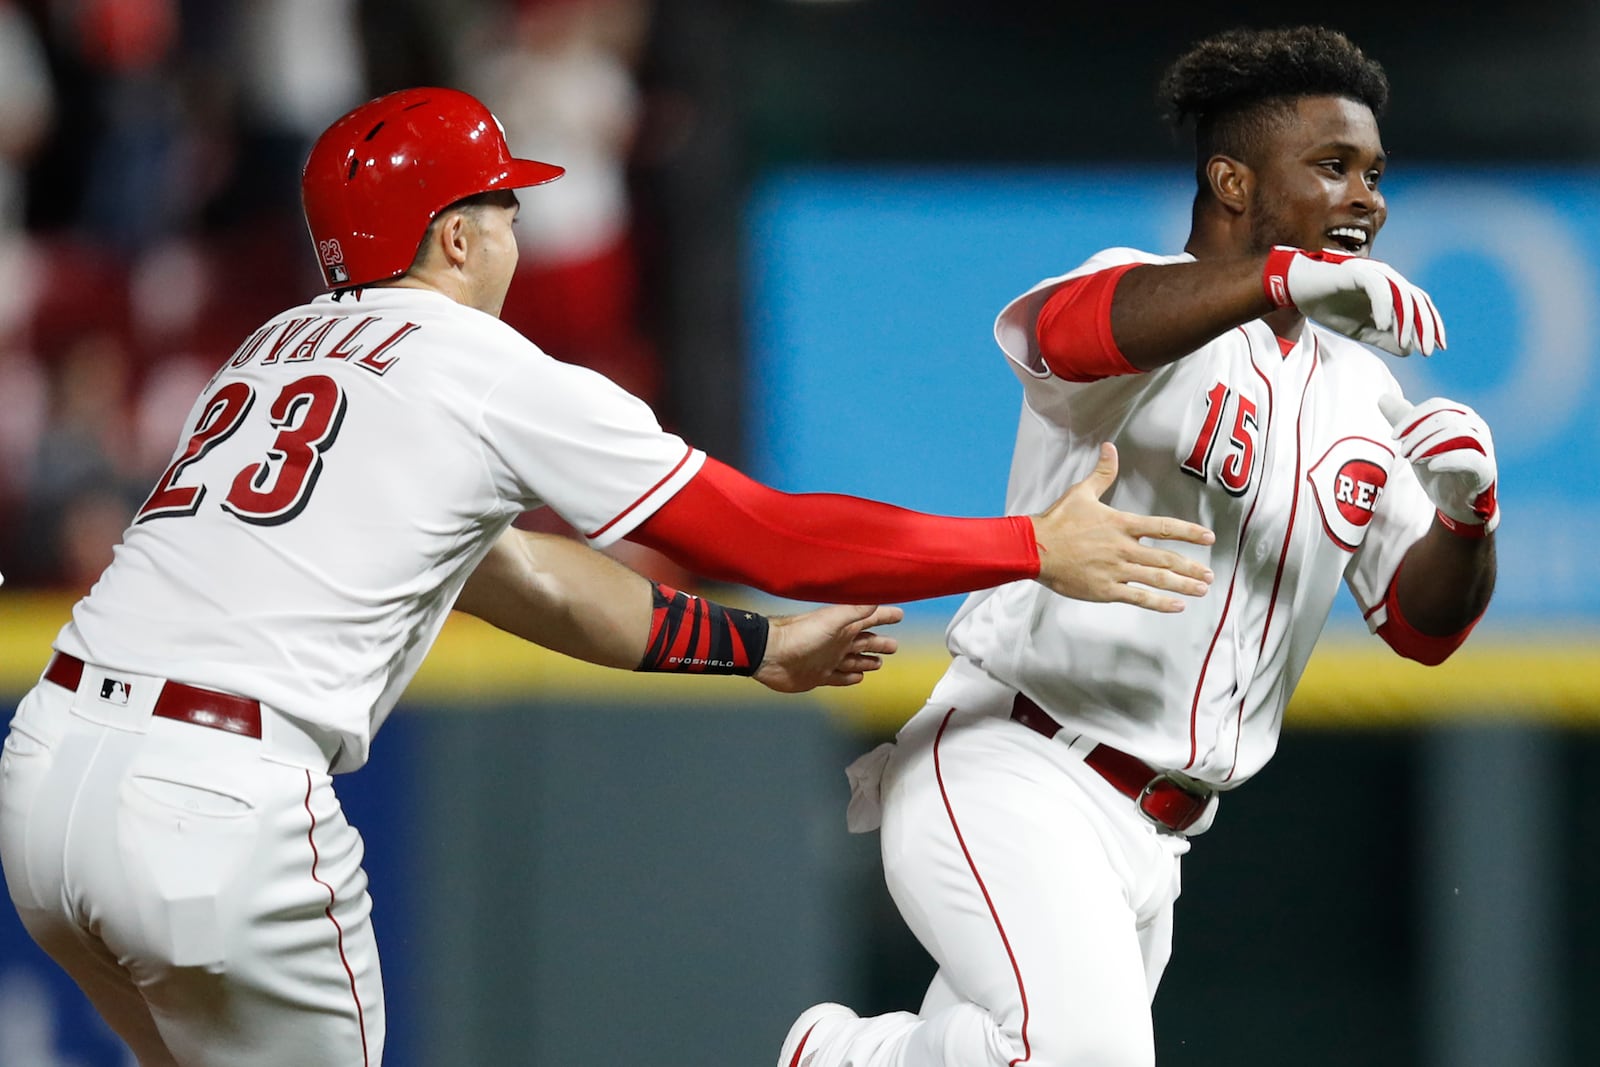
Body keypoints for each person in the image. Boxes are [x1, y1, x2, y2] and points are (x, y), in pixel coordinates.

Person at [0, 86, 1217, 1066]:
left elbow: (522, 578)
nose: (518, 231)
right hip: (220, 797)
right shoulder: (481, 365)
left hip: (49, 770)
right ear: (456, 234)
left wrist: (754, 648)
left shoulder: (269, 348)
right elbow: (770, 535)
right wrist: (1026, 546)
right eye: (503, 205)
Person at [778, 25, 1498, 1067]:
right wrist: (1279, 282)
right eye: (1332, 167)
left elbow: (1421, 628)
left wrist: (1467, 517)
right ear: (1231, 181)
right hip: (1014, 759)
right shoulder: (1143, 297)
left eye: (1375, 173)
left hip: (1156, 836)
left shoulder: (1364, 396)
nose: (1366, 198)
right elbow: (1066, 334)